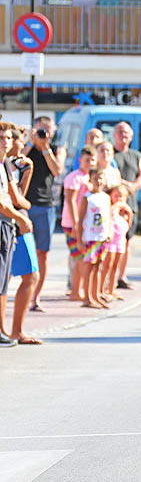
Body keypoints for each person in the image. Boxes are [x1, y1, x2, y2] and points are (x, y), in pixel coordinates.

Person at [23, 116, 66, 312]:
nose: (43, 134)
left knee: (43, 253)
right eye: (41, 129)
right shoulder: (28, 147)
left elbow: (57, 170)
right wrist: (32, 143)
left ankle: (35, 297)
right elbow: (14, 161)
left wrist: (46, 147)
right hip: (25, 204)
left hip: (47, 205)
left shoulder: (57, 148)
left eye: (47, 130)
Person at [0, 123, 34, 347]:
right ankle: (7, 330)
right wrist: (22, 216)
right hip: (7, 222)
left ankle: (7, 330)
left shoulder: (5, 165)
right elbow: (9, 201)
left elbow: (16, 197)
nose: (6, 142)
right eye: (2, 137)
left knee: (4, 281)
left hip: (8, 223)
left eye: (9, 138)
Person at [8, 127, 41, 345]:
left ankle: (16, 330)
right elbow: (18, 200)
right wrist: (25, 206)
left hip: (19, 222)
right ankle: (13, 330)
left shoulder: (12, 165)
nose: (22, 144)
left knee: (29, 276)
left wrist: (27, 173)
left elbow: (20, 194)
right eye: (20, 140)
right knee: (25, 276)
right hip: (14, 222)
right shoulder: (5, 165)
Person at [112, 122, 141, 289]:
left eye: (126, 132)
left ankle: (122, 276)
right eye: (119, 131)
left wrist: (133, 186)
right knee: (113, 241)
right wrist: (123, 184)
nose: (122, 135)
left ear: (131, 136)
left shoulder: (136, 155)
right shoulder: (110, 153)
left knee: (127, 241)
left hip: (131, 203)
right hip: (115, 202)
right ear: (113, 135)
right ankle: (109, 277)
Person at [61, 146, 96, 301]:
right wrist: (76, 224)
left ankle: (77, 291)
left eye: (92, 160)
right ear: (80, 160)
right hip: (72, 223)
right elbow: (70, 200)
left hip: (86, 224)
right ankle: (78, 291)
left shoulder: (91, 177)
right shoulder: (74, 177)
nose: (89, 163)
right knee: (80, 257)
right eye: (86, 160)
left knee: (82, 256)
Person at [77, 169, 112, 309]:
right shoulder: (87, 198)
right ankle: (87, 297)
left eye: (101, 178)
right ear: (90, 180)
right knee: (89, 267)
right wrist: (79, 239)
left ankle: (96, 295)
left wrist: (109, 232)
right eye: (95, 178)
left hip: (102, 238)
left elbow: (108, 216)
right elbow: (80, 220)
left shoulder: (105, 197)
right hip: (91, 237)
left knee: (98, 267)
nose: (98, 181)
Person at [101, 185, 133, 301]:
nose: (119, 199)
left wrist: (128, 212)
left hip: (120, 241)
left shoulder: (124, 211)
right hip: (111, 242)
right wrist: (115, 206)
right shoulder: (111, 208)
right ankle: (101, 289)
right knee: (107, 266)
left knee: (115, 266)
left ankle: (111, 289)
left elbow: (128, 224)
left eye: (121, 197)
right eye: (116, 196)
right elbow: (107, 216)